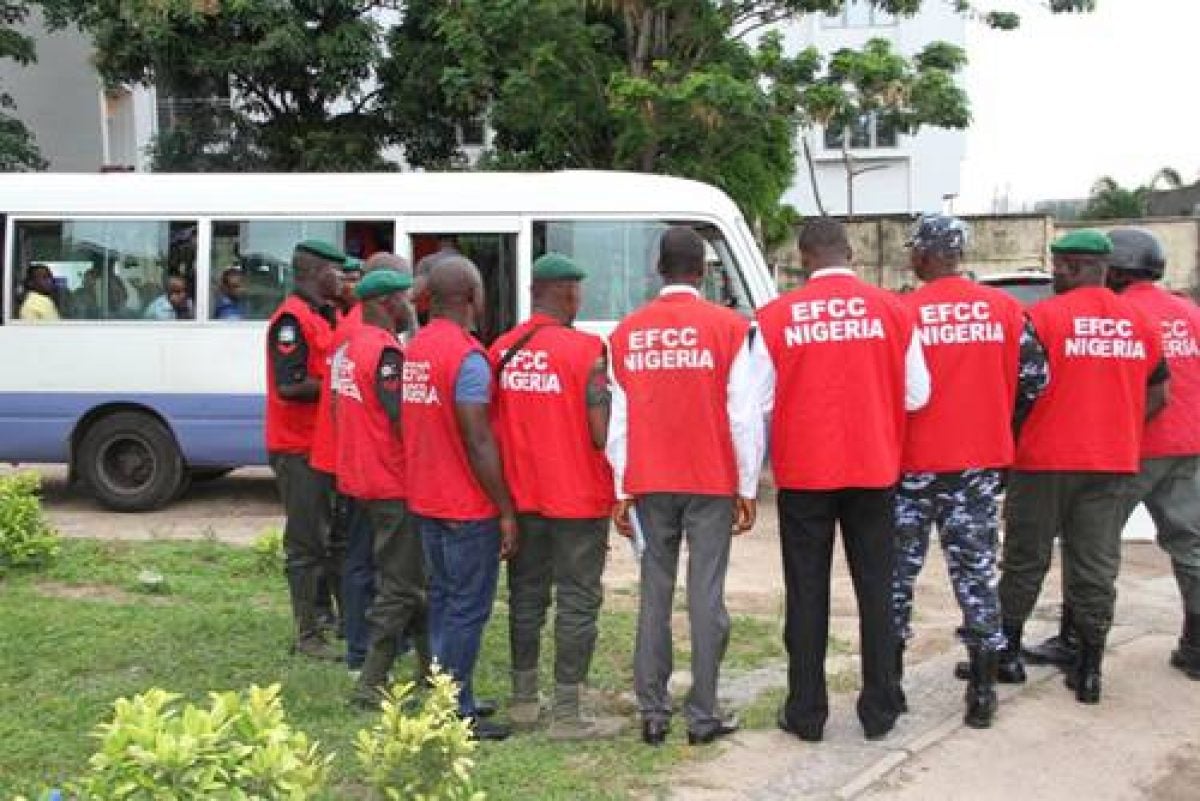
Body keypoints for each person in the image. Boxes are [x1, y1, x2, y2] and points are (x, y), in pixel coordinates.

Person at [755, 217, 929, 743]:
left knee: (807, 592)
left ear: (804, 258)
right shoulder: (893, 311)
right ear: (850, 255)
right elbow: (918, 394)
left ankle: (806, 713)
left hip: (806, 474)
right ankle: (880, 707)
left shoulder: (774, 317)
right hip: (874, 470)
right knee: (876, 588)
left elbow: (756, 403)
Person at [607, 226, 765, 747]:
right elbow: (743, 414)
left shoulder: (627, 333)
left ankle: (653, 712)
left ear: (660, 269)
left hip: (650, 482)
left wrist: (621, 488)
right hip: (711, 480)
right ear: (702, 271)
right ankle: (703, 715)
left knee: (654, 594)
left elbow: (620, 421)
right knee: (705, 594)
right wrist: (746, 485)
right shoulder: (728, 327)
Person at [891, 215, 1049, 729]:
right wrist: (1001, 421)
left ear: (925, 255)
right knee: (977, 576)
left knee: (896, 577)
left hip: (911, 466)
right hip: (979, 465)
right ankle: (982, 694)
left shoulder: (903, 312)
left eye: (914, 250)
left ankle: (889, 690)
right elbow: (1035, 380)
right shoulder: (1006, 310)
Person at [997, 230, 1168, 704]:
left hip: (1042, 461)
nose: (1054, 276)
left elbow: (1015, 390)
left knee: (1025, 559)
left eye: (1057, 268)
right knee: (1094, 565)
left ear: (1071, 267)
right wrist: (1120, 423)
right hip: (1111, 462)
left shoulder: (1041, 319)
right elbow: (1159, 394)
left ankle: (1006, 654)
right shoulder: (1139, 321)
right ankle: (1089, 669)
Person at [490, 253, 620, 740]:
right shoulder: (588, 350)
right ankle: (567, 712)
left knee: (526, 595)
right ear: (567, 293)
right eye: (578, 291)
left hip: (523, 499)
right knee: (577, 599)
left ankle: (524, 701)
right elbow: (600, 429)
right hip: (579, 498)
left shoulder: (502, 350)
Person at [401, 256, 514, 741]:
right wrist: (506, 509)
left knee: (446, 601)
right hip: (466, 507)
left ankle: (452, 697)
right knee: (468, 607)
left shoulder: (417, 347)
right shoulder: (467, 357)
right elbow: (478, 438)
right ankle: (454, 713)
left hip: (426, 497)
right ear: (472, 297)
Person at [333, 269, 433, 707]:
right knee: (402, 585)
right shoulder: (388, 354)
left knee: (414, 576)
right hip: (393, 482)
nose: (411, 307)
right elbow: (403, 416)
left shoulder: (351, 347)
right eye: (406, 300)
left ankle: (433, 674)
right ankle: (372, 681)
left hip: (362, 477)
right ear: (390, 303)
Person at [1105, 228, 1200, 680]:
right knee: (1190, 546)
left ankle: (1081, 641)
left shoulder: (1120, 314)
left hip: (1135, 449)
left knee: (1097, 547)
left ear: (1116, 269)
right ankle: (1197, 644)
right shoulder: (1188, 312)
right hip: (1190, 445)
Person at [264, 239, 345, 661]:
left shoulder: (321, 315)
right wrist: (341, 385)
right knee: (306, 543)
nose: (343, 278)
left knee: (327, 537)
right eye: (337, 272)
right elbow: (290, 384)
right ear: (317, 272)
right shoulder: (291, 321)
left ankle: (325, 617)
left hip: (320, 445)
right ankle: (307, 634)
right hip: (297, 447)